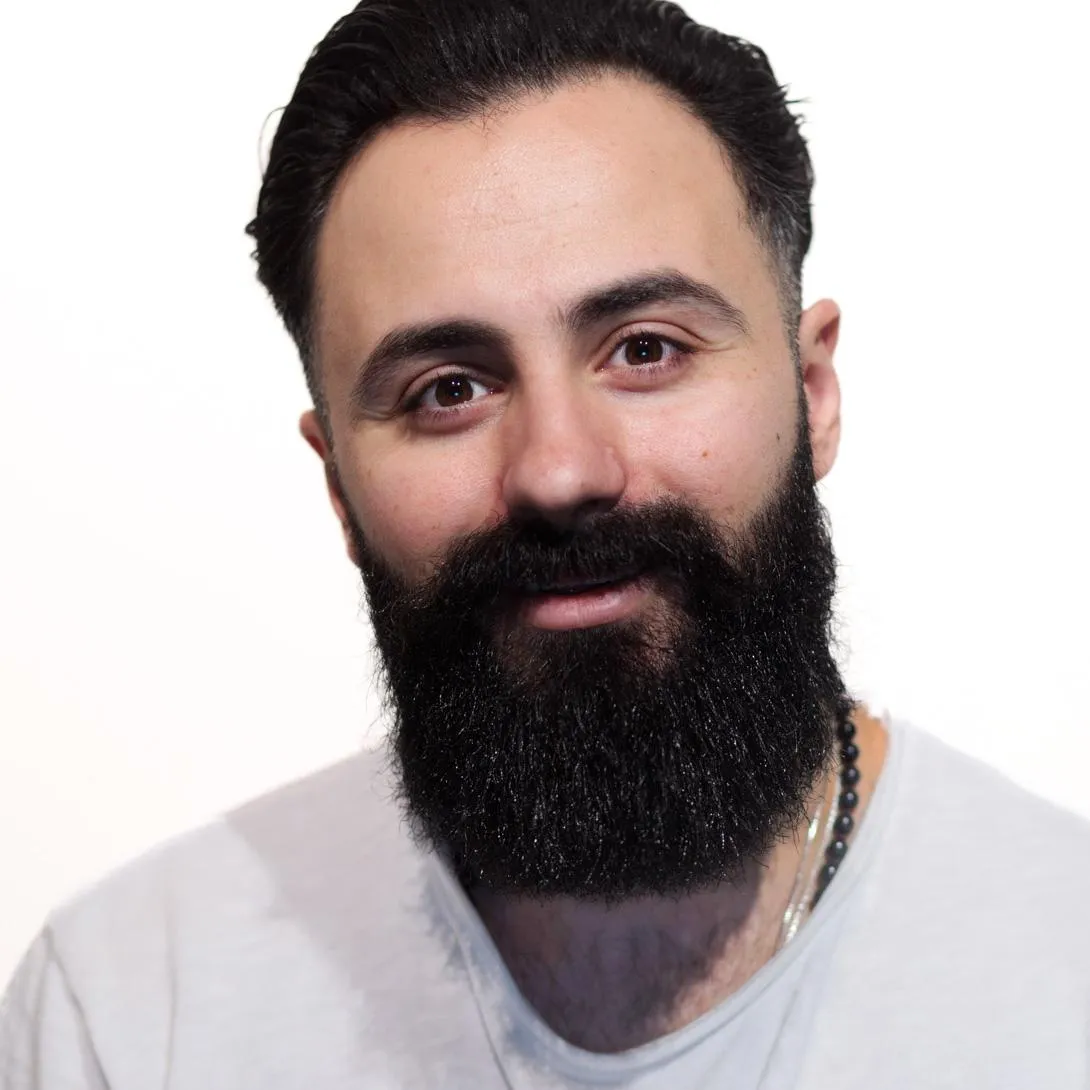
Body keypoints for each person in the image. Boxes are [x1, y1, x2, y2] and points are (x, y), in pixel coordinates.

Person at [2, 0, 1088, 1085]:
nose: (559, 471)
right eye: (448, 390)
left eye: (647, 349)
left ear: (812, 394)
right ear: (337, 482)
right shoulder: (131, 1015)